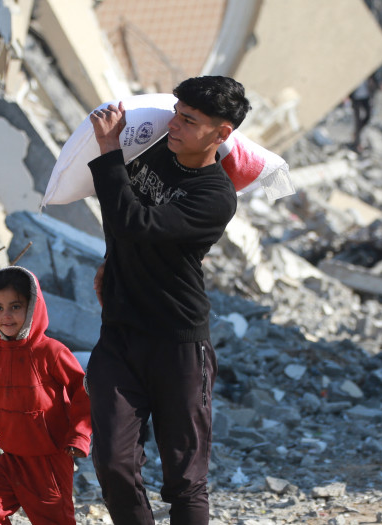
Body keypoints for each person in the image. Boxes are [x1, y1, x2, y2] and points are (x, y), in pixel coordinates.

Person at [84, 75, 249, 525]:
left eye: (189, 120)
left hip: (178, 345)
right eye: (176, 113)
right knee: (113, 462)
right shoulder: (160, 148)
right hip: (119, 333)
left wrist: (109, 151)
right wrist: (112, 261)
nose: (174, 125)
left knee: (185, 481)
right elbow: (120, 221)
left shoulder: (215, 197)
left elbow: (133, 221)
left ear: (222, 133)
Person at [0, 266, 91, 525]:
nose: (6, 316)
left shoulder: (52, 352)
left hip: (49, 463)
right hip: (10, 461)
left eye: (15, 306)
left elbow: (84, 391)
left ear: (33, 307)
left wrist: (79, 435)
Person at [350, 68, 382, 153]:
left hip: (366, 97)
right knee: (357, 120)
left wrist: (381, 84)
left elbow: (375, 76)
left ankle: (357, 133)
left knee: (368, 116)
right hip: (355, 99)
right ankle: (357, 144)